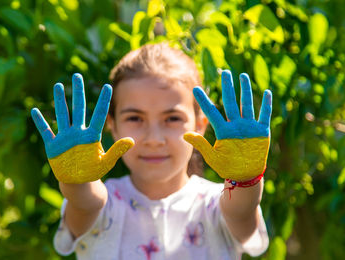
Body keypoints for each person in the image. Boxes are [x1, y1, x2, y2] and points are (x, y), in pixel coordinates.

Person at [31, 43, 272, 259]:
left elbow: (241, 210)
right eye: (135, 118)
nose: (154, 139)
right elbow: (85, 204)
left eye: (172, 118)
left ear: (200, 125)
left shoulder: (214, 206)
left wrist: (245, 180)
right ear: (112, 126)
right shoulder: (106, 206)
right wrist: (77, 181)